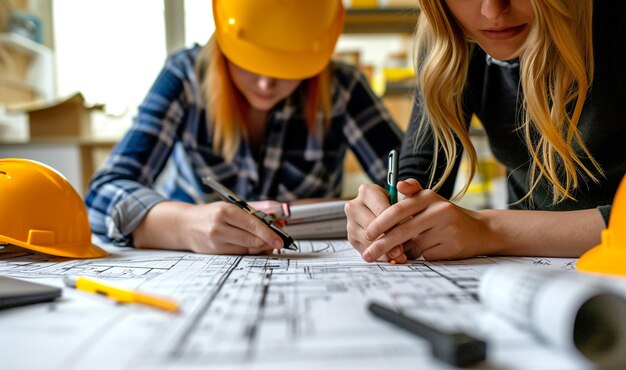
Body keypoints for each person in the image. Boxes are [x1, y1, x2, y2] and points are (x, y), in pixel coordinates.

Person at [85, 0, 402, 255]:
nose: (266, 83)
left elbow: (416, 184)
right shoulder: (185, 76)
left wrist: (370, 209)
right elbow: (102, 194)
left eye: (286, 64)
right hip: (193, 263)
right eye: (250, 61)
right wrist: (182, 224)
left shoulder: (343, 88)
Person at [346, 0, 626, 263]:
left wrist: (491, 229)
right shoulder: (451, 38)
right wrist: (391, 216)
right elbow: (420, 179)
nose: (492, 11)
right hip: (534, 273)